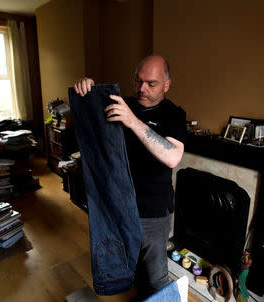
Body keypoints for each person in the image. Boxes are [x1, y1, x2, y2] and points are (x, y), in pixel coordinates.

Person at [74, 54, 187, 299]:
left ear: (166, 85)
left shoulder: (174, 115)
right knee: (125, 264)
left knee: (156, 277)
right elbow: (90, 116)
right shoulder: (121, 103)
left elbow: (173, 157)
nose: (141, 88)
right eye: (137, 81)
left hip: (154, 212)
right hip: (118, 206)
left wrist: (133, 121)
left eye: (151, 83)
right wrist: (88, 90)